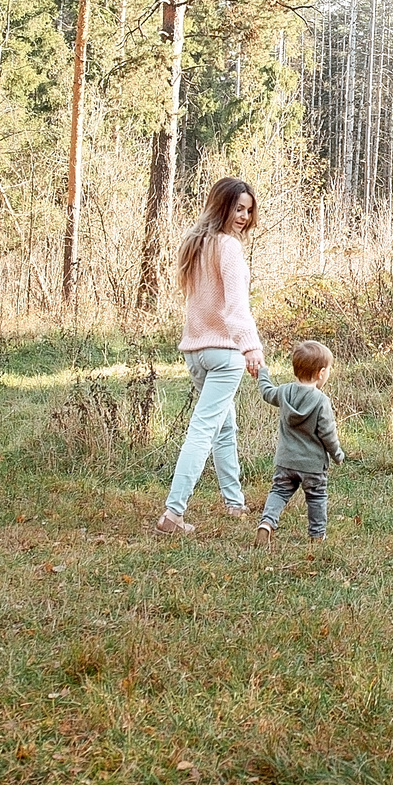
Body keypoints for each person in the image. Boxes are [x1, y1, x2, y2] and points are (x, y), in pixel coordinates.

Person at [155, 177, 264, 535]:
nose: (244, 217)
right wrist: (251, 346)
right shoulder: (228, 247)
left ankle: (234, 502)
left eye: (248, 210)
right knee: (202, 431)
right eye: (238, 208)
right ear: (222, 207)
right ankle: (173, 514)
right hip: (224, 354)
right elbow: (235, 307)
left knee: (224, 426)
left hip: (197, 354)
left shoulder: (195, 244)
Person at [255, 341, 345, 542]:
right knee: (316, 497)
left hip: (285, 461)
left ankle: (267, 523)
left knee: (279, 491)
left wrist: (263, 372)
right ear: (321, 373)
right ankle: (316, 535)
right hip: (312, 465)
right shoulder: (321, 401)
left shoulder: (284, 392)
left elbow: (266, 392)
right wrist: (337, 453)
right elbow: (327, 434)